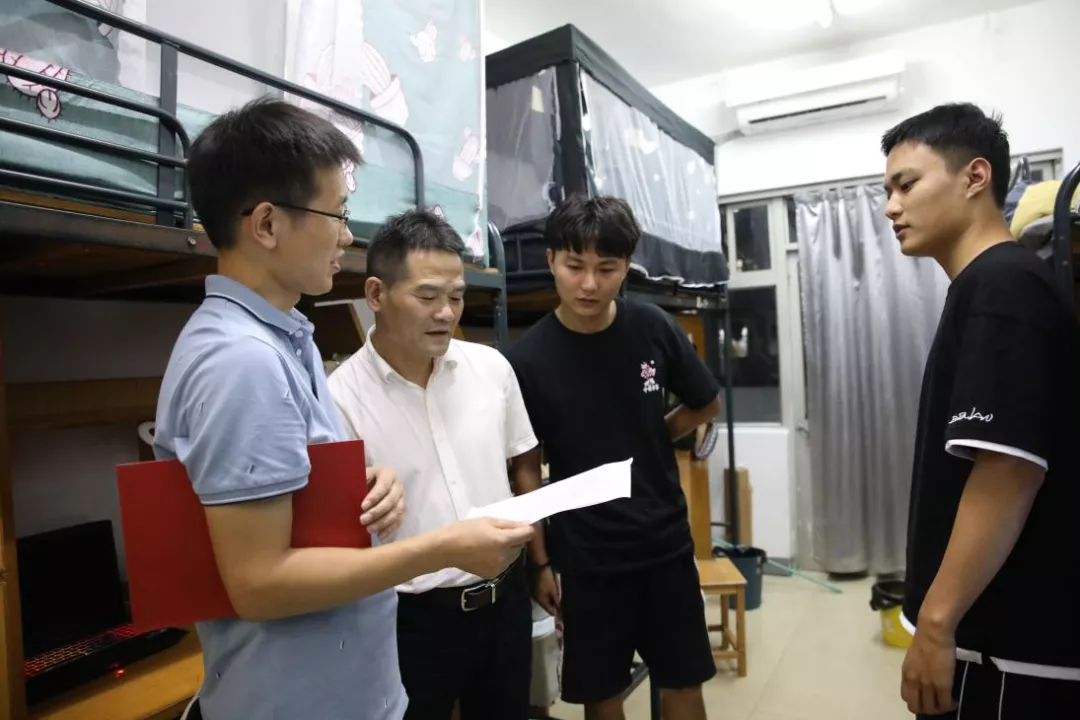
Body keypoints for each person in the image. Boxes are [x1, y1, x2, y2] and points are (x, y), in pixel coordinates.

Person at [152, 98, 534, 720]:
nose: (348, 236)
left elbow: (281, 499)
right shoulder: (242, 362)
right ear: (268, 225)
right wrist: (442, 548)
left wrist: (359, 482)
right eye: (338, 213)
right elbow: (259, 584)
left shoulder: (287, 340)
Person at [882, 103, 1080, 718]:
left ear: (975, 177)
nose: (891, 207)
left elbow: (1008, 468)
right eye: (887, 191)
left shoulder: (1003, 284)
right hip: (997, 639)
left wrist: (937, 623)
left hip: (1005, 648)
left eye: (906, 184)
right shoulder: (988, 284)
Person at [506, 194, 721, 720]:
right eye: (574, 266)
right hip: (586, 559)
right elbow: (526, 469)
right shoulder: (527, 359)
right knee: (601, 695)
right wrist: (540, 563)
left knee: (684, 682)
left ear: (626, 266)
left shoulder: (652, 327)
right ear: (551, 260)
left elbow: (706, 402)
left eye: (606, 268)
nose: (589, 284)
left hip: (665, 547)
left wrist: (654, 434)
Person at [326, 208, 539, 719]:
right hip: (411, 621)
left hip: (505, 602)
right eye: (426, 296)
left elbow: (521, 466)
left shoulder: (492, 369)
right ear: (376, 294)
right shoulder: (338, 401)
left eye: (456, 296)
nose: (445, 312)